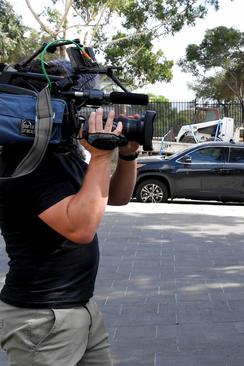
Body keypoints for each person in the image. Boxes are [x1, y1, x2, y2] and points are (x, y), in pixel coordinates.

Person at [0, 61, 140, 365]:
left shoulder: (61, 152)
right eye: (81, 107)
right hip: (42, 319)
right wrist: (101, 156)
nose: (89, 116)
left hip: (79, 308)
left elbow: (115, 197)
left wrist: (126, 156)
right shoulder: (27, 161)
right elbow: (81, 228)